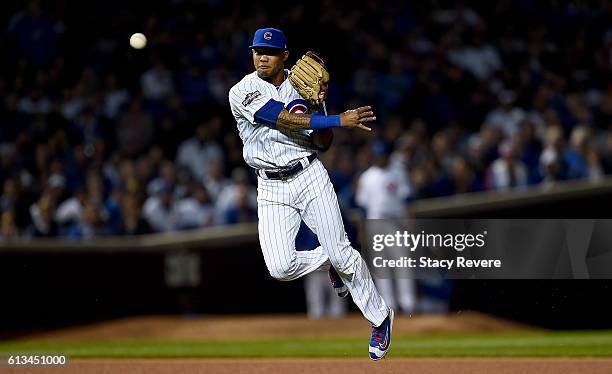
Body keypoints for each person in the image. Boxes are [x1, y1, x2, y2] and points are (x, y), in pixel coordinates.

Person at [228, 27, 393, 360]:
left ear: (284, 56)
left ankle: (380, 318)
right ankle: (331, 261)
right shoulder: (242, 91)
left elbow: (323, 143)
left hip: (309, 175)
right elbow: (281, 119)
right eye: (257, 50)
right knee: (280, 267)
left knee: (344, 252)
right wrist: (336, 119)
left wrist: (318, 108)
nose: (262, 56)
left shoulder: (303, 85)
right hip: (271, 185)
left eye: (270, 52)